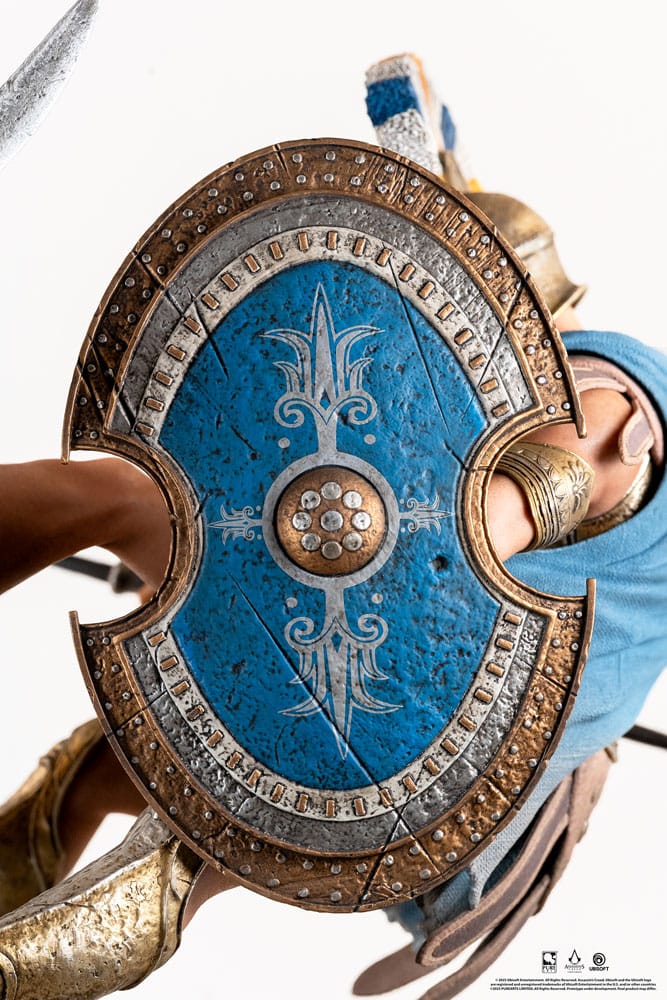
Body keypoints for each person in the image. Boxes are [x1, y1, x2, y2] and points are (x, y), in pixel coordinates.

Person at [0, 52, 665, 1000]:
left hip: (424, 729)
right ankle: (50, 835)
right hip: (357, 625)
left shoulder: (624, 405)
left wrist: (438, 534)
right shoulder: (551, 351)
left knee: (185, 826)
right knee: (123, 762)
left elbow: (557, 480)